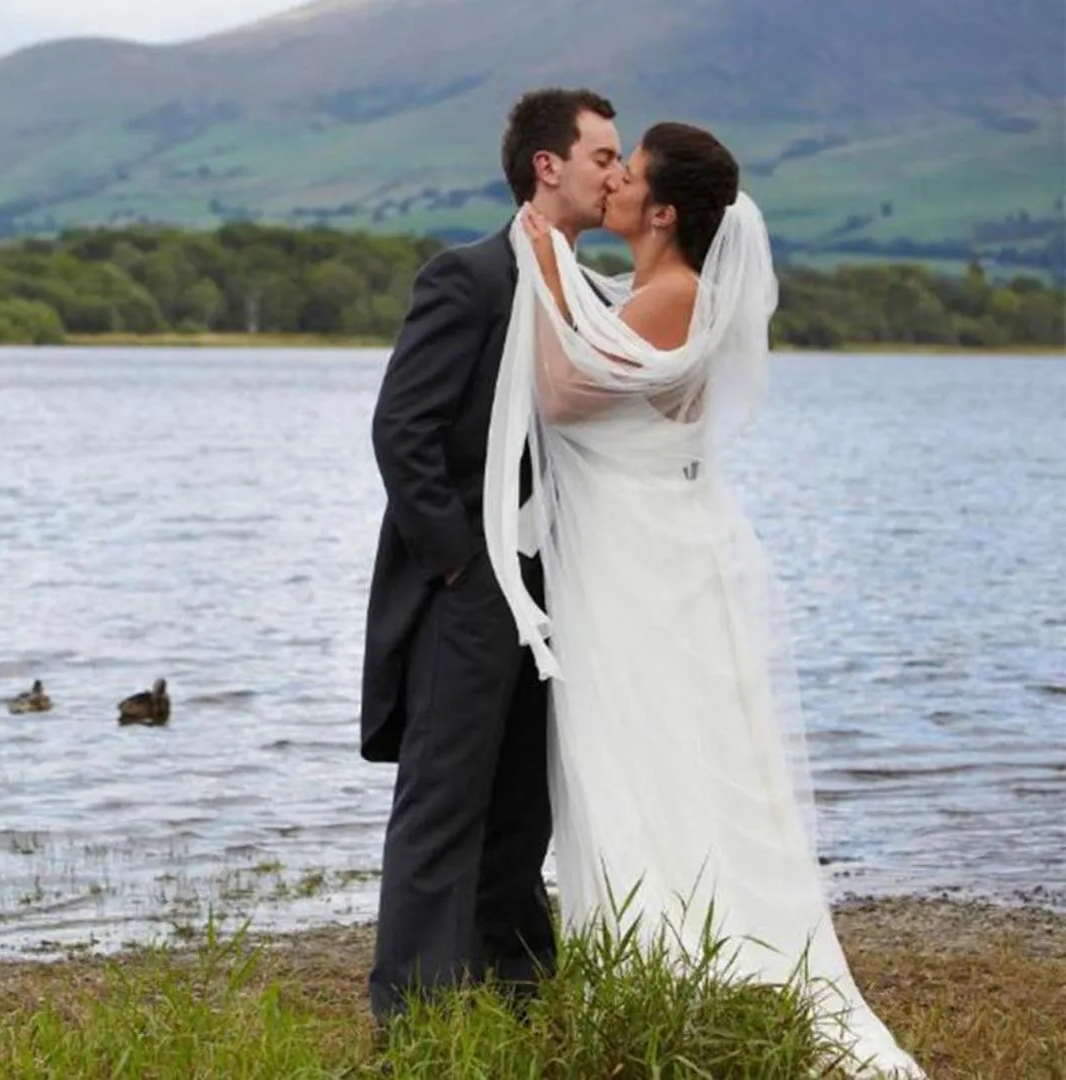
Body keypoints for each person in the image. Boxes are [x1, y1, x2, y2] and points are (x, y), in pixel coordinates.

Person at [493, 121, 926, 1078]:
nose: (611, 185)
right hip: (641, 548)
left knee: (648, 745)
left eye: (629, 175)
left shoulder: (676, 294)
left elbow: (564, 393)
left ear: (663, 212)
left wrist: (545, 254)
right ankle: (668, 968)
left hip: (642, 559)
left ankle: (681, 965)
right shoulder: (654, 291)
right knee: (651, 746)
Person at [361, 87, 624, 1023]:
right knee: (440, 806)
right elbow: (402, 430)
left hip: (556, 592)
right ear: (546, 165)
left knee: (522, 811)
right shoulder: (466, 278)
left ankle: (519, 1001)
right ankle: (412, 1023)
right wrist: (461, 566)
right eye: (602, 156)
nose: (616, 174)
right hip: (467, 589)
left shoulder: (589, 294)